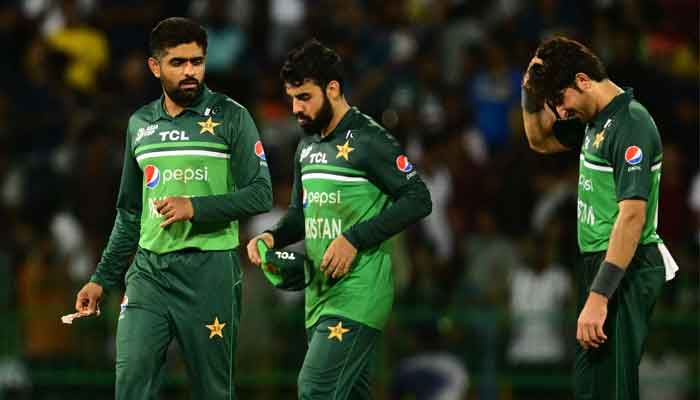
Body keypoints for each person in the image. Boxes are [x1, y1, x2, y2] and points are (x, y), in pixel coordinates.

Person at [73, 17, 272, 399]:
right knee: (130, 384)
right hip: (149, 273)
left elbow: (261, 194)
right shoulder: (140, 125)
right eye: (178, 62)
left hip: (210, 271)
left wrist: (194, 207)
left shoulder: (232, 116)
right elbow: (130, 213)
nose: (189, 71)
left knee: (213, 391)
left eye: (196, 61)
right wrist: (101, 278)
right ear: (155, 67)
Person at [246, 39, 432, 399]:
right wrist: (271, 238)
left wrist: (354, 239)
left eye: (304, 97)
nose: (296, 108)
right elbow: (301, 214)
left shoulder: (369, 139)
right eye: (292, 99)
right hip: (318, 295)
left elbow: (418, 198)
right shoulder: (307, 146)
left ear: (332, 89)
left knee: (315, 389)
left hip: (358, 294)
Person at [521, 36, 679, 400]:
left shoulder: (631, 124)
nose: (559, 112)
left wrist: (599, 295)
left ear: (582, 80)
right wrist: (529, 90)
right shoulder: (598, 121)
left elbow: (633, 216)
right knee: (594, 389)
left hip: (625, 268)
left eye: (559, 100)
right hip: (603, 265)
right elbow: (538, 140)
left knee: (610, 389)